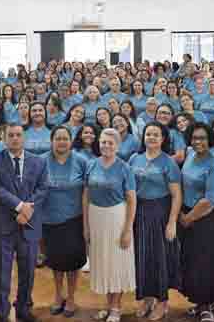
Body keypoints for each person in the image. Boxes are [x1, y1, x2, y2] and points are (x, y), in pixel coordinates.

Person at [0, 124, 48, 322]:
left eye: (18, 135)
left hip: (29, 225)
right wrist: (20, 206)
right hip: (3, 226)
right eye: (10, 135)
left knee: (28, 271)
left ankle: (23, 308)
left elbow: (43, 188)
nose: (14, 138)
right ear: (4, 138)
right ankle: (2, 312)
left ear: (24, 138)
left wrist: (27, 211)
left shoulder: (39, 162)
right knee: (3, 273)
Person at [128, 123, 181, 321]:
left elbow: (177, 195)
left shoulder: (169, 162)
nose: (151, 137)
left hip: (160, 212)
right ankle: (147, 298)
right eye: (148, 134)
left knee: (160, 258)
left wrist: (172, 221)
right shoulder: (135, 158)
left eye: (155, 135)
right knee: (142, 257)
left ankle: (162, 302)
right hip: (138, 212)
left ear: (163, 138)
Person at [83, 128, 137, 322]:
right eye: (103, 142)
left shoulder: (124, 168)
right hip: (96, 216)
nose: (106, 145)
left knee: (117, 263)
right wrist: (86, 225)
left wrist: (128, 229)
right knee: (103, 263)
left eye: (110, 143)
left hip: (117, 217)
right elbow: (86, 195)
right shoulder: (91, 165)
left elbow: (132, 200)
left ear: (117, 145)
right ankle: (108, 304)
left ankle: (116, 307)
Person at [179, 124, 214, 322]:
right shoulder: (190, 154)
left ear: (210, 140)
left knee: (206, 263)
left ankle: (207, 305)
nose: (198, 142)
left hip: (206, 219)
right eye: (194, 138)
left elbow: (211, 199)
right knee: (192, 262)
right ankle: (199, 301)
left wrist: (188, 218)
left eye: (202, 138)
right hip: (189, 215)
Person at [41, 126, 89, 317]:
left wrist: (86, 222)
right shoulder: (41, 161)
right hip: (49, 220)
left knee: (72, 262)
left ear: (71, 141)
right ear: (51, 141)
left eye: (65, 138)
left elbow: (87, 192)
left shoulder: (81, 161)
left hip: (74, 220)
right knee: (55, 261)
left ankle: (71, 297)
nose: (61, 142)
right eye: (58, 138)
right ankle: (58, 295)